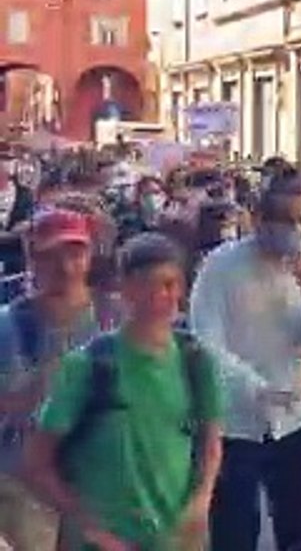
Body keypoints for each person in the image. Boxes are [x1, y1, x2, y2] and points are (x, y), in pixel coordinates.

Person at [24, 233, 223, 551]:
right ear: (125, 289)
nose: (160, 296)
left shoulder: (196, 360)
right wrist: (90, 528)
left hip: (178, 539)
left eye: (169, 284)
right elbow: (37, 463)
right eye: (147, 285)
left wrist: (200, 504)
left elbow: (211, 445)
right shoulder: (89, 365)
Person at [189, 166, 301, 551]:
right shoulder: (222, 267)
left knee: (298, 534)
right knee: (235, 534)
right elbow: (205, 342)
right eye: (285, 220)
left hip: (293, 422)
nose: (296, 230)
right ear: (259, 219)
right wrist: (255, 388)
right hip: (235, 427)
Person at [0, 210, 101, 550]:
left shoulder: (114, 318)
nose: (66, 267)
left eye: (75, 253)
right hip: (24, 486)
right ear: (33, 260)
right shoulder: (10, 326)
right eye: (52, 256)